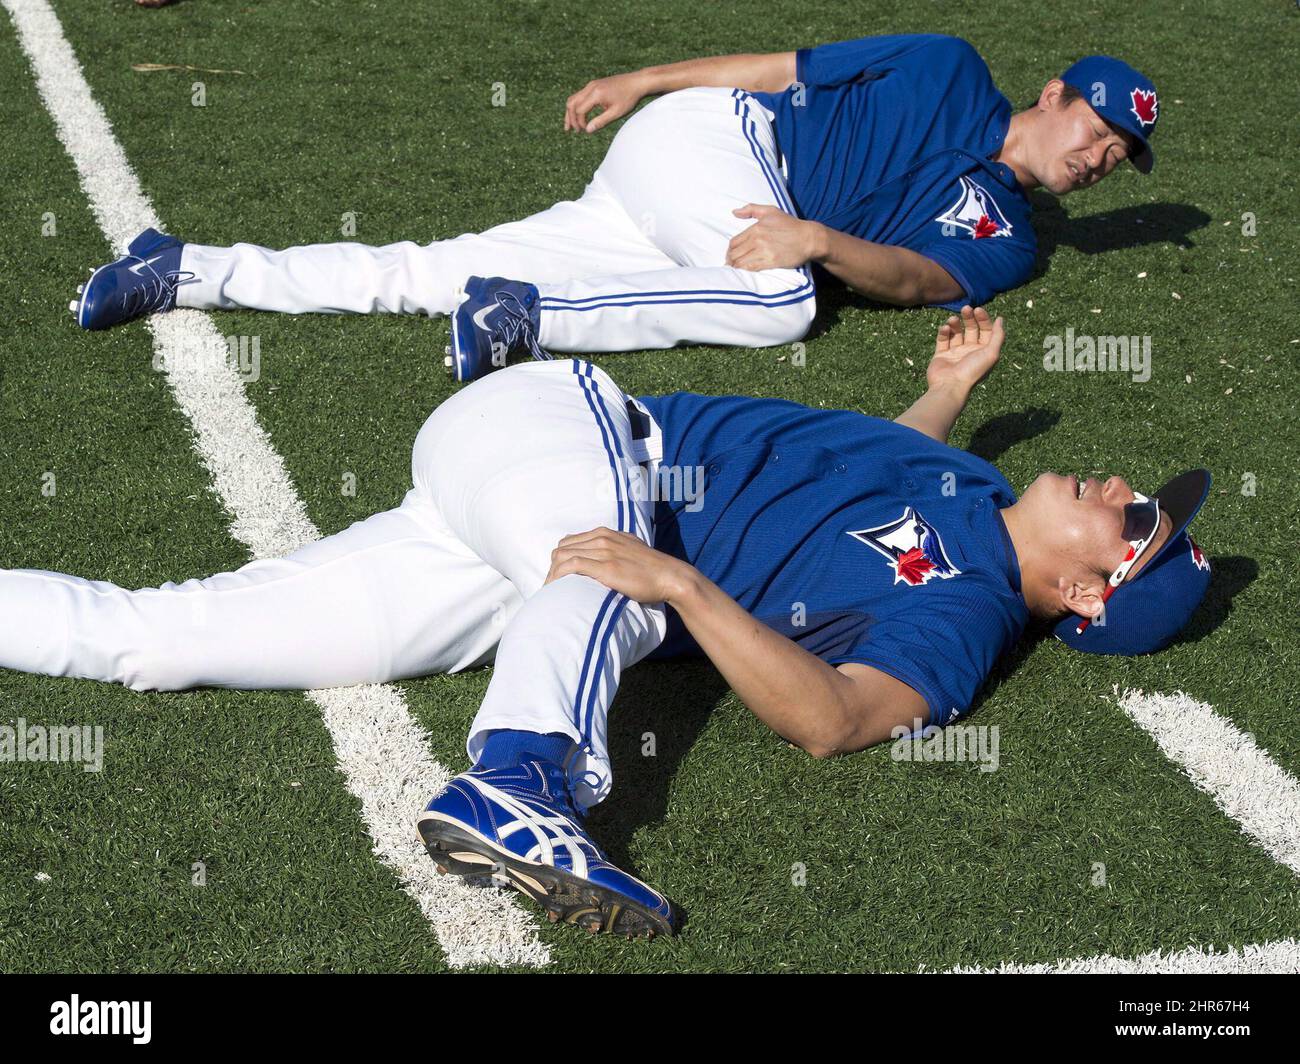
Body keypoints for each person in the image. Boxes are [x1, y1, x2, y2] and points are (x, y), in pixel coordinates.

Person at [3, 309, 1210, 937]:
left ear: (1094, 595)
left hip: (527, 515)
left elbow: (836, 720)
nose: (1119, 486)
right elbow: (878, 480)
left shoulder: (965, 619)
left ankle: (519, 771)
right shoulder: (967, 489)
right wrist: (946, 390)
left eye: (1133, 518)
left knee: (154, 642)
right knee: (609, 591)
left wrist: (688, 587)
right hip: (566, 438)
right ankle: (519, 780)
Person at [70, 36, 1159, 381]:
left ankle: (186, 267)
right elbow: (782, 67)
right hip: (715, 142)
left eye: (1120, 153)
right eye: (1099, 127)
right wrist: (645, 80)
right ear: (1053, 93)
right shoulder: (945, 64)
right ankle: (526, 318)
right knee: (782, 305)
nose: (1102, 155)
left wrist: (824, 239)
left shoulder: (1012, 239)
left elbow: (921, 280)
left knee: (424, 268)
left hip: (679, 221)